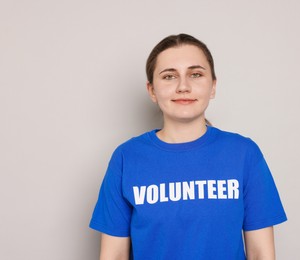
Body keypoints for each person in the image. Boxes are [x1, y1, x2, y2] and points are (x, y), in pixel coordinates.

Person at [89, 33, 287, 260]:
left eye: (195, 74)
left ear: (212, 86)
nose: (183, 86)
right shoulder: (126, 158)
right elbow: (113, 255)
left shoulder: (244, 154)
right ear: (152, 90)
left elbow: (261, 253)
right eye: (169, 76)